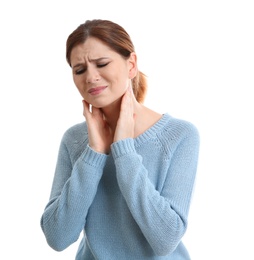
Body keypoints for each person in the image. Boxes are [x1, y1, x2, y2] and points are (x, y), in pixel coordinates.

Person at [40, 19, 200, 260]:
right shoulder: (74, 140)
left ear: (131, 64)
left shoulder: (179, 135)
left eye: (102, 64)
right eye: (79, 70)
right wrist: (94, 153)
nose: (91, 77)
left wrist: (124, 150)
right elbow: (58, 237)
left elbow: (166, 239)